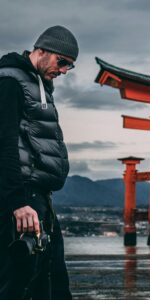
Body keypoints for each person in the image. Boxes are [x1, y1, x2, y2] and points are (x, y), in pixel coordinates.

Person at [0, 25, 79, 300]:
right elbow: (4, 143)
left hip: (42, 201)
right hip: (22, 200)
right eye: (63, 61)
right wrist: (17, 202)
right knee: (17, 284)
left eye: (71, 65)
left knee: (54, 284)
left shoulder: (40, 85)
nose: (65, 70)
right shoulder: (10, 80)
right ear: (42, 50)